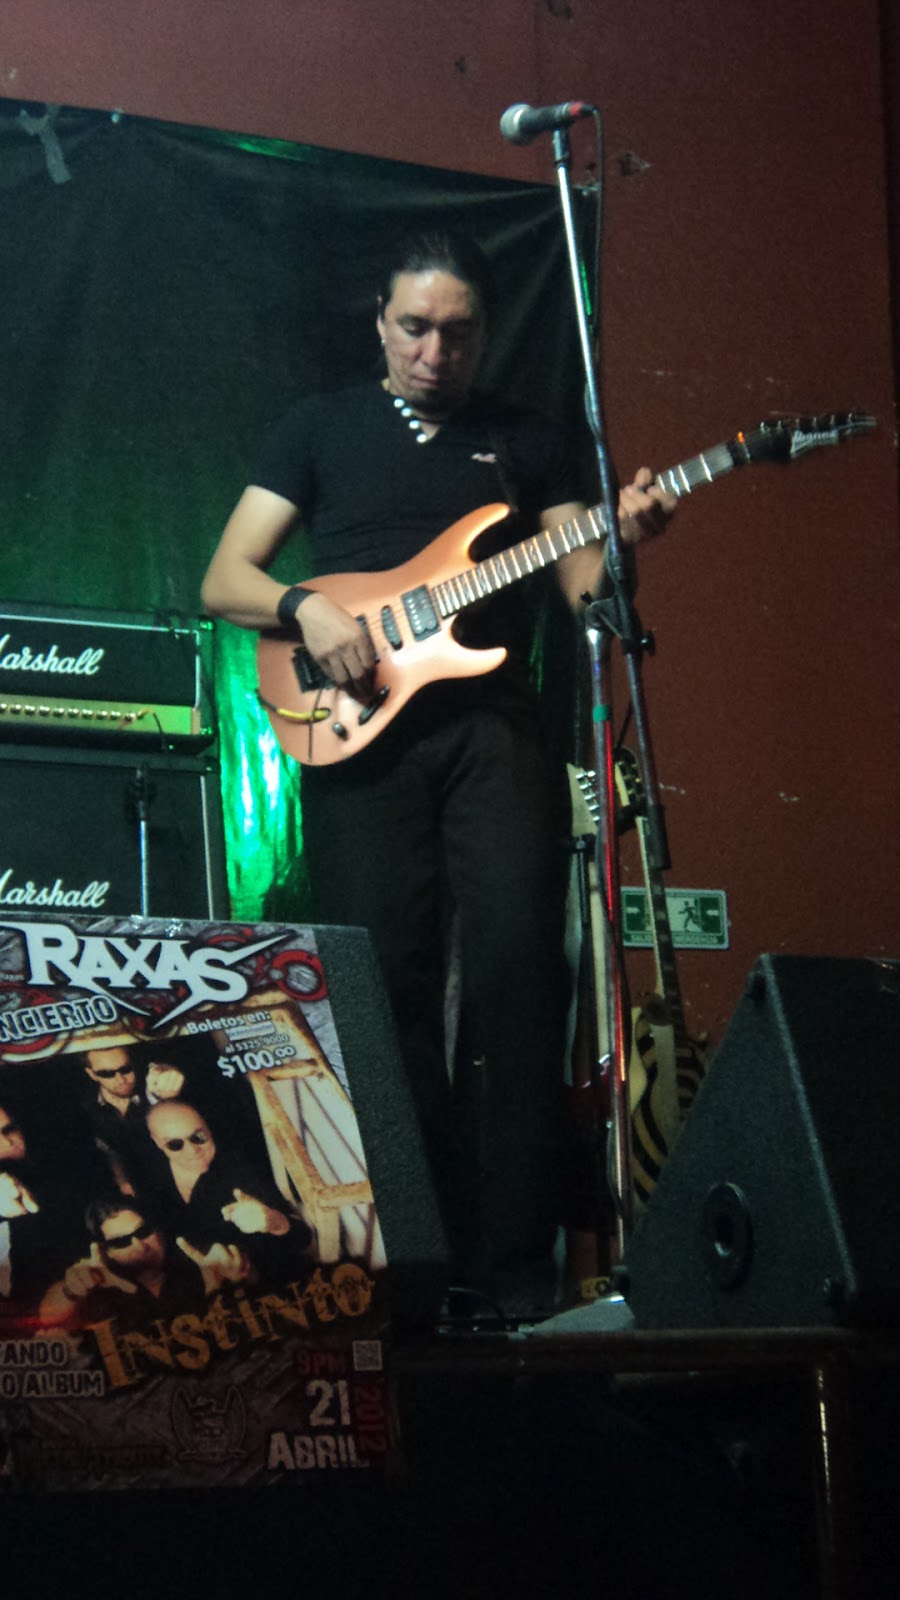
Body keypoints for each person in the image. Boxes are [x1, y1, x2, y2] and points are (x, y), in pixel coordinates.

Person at [201, 230, 675, 1317]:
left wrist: (631, 539)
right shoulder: (318, 427)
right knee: (382, 985)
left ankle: (511, 1272)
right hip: (362, 731)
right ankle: (405, 1266)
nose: (433, 352)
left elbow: (589, 598)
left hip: (493, 732)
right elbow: (226, 575)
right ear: (380, 320)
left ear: (485, 334)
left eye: (457, 333)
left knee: (519, 976)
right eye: (414, 328)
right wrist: (306, 606)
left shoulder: (529, 439)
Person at [144, 1100, 311, 1283]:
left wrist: (276, 1222)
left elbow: (303, 1238)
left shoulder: (240, 1169)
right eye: (175, 1144)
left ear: (208, 1129)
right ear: (157, 1142)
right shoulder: (151, 1179)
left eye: (198, 1136)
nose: (192, 1150)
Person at [39, 1192, 251, 1329]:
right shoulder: (100, 1283)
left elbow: (250, 1275)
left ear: (158, 1230)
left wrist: (236, 1276)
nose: (141, 1246)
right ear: (106, 1251)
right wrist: (72, 1290)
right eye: (121, 1241)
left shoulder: (197, 1257)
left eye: (143, 1231)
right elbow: (48, 1318)